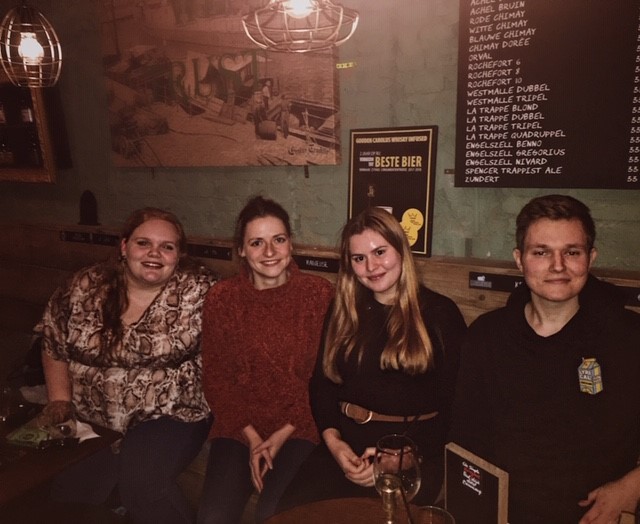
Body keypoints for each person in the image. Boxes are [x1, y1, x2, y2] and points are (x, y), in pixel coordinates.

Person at [451, 194, 640, 524]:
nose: (558, 265)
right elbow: (465, 438)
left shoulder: (629, 335)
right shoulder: (486, 336)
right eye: (541, 252)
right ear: (519, 260)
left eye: (572, 252)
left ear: (591, 258)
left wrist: (633, 486)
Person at [277, 206, 467, 510]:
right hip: (344, 448)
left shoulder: (439, 314)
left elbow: (458, 404)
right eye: (359, 258)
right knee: (290, 512)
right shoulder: (344, 310)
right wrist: (334, 444)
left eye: (380, 252)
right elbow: (322, 384)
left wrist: (404, 455)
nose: (371, 266)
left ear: (401, 250)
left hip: (411, 453)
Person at [36, 207, 216, 524]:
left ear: (179, 255)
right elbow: (53, 342)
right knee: (68, 494)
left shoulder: (199, 292)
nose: (154, 253)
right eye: (143, 243)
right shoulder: (84, 286)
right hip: (92, 413)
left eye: (167, 246)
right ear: (124, 247)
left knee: (144, 487)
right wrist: (60, 401)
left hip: (170, 413)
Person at [197, 196, 334, 524]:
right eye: (257, 242)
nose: (270, 252)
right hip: (238, 426)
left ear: (291, 244)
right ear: (242, 250)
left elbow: (325, 377)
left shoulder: (318, 294)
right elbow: (215, 377)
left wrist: (283, 433)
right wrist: (254, 438)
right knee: (213, 517)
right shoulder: (222, 299)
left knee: (274, 515)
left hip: (301, 427)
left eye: (278, 240)